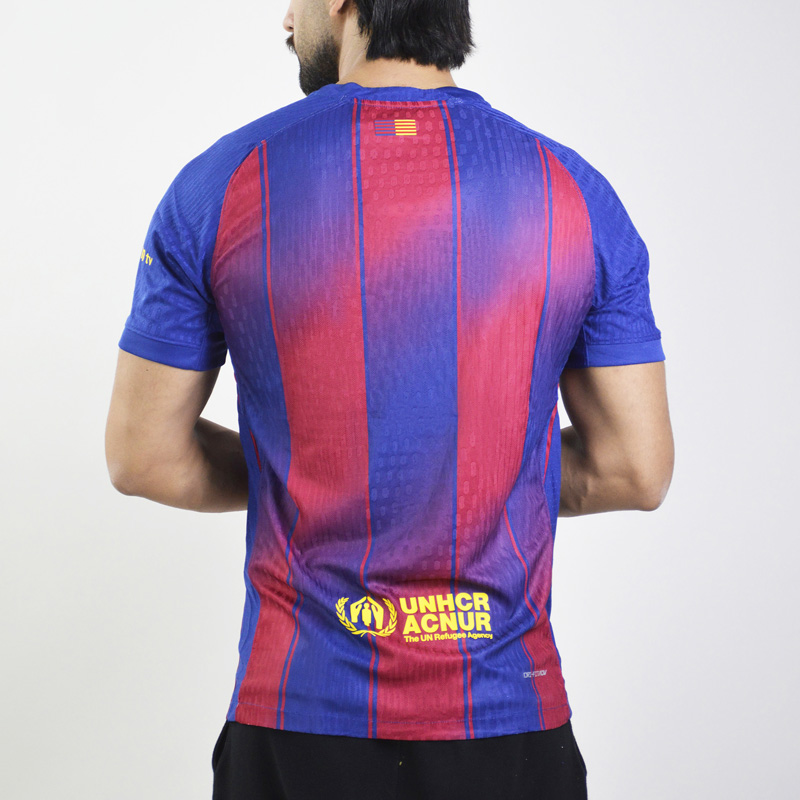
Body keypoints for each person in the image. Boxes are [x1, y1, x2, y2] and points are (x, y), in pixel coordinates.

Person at [105, 0, 675, 797]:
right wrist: (475, 475)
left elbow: (144, 456)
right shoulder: (574, 193)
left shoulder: (221, 184)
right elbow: (632, 469)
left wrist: (308, 474)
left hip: (297, 718)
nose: (285, 19)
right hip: (506, 721)